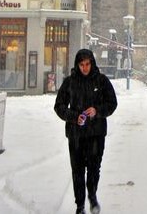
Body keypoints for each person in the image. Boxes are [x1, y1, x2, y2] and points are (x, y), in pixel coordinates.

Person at [54, 49, 118, 214]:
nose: (85, 68)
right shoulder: (70, 82)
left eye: (87, 64)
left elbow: (112, 103)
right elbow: (59, 106)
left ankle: (92, 195)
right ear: (77, 65)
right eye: (81, 65)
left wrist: (97, 111)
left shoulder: (101, 81)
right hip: (76, 134)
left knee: (94, 168)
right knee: (77, 171)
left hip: (96, 134)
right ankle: (80, 205)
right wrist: (74, 117)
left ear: (92, 63)